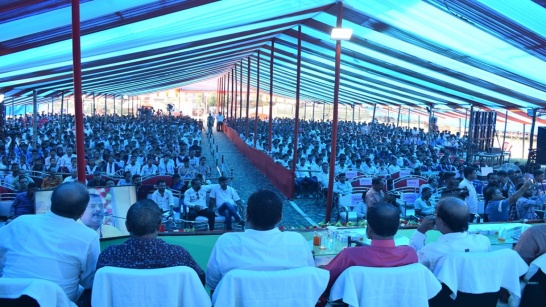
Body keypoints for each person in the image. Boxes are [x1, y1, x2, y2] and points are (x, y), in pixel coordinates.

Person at [0, 182, 100, 302]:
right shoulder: (89, 236)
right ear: (83, 211)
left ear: (51, 201)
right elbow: (89, 281)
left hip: (7, 299)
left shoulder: (20, 222)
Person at [206, 189, 314, 290]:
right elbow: (308, 276)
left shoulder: (226, 243)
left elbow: (212, 283)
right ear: (280, 218)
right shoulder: (297, 241)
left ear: (246, 215)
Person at [96, 199, 205, 283]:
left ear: (127, 226)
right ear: (159, 226)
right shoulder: (179, 255)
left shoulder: (109, 255)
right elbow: (199, 281)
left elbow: (97, 289)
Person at [324, 203, 417, 293]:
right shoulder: (409, 253)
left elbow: (325, 280)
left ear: (369, 229)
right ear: (397, 228)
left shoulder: (350, 255)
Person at [409, 197, 491, 272]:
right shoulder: (483, 241)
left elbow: (411, 264)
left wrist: (420, 231)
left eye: (435, 215)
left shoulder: (432, 250)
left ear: (441, 221)